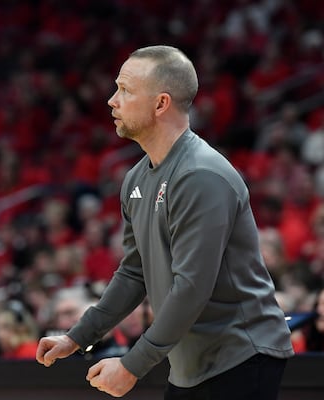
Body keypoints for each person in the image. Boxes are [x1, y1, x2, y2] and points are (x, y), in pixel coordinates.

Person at [36, 45, 294, 399]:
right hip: (191, 363)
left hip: (241, 354)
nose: (112, 100)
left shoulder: (202, 175)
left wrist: (131, 366)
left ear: (160, 104)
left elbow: (191, 287)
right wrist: (78, 336)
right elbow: (133, 272)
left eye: (125, 90)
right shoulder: (137, 178)